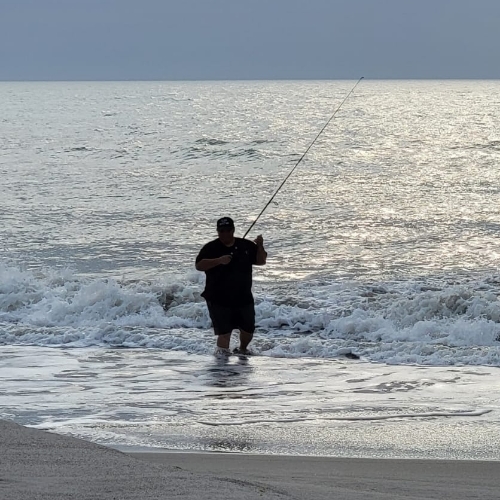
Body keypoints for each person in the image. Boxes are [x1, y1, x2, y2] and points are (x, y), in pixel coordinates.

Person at [195, 217, 267, 355]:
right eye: (221, 231)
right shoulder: (210, 248)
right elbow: (199, 265)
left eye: (228, 230)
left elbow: (261, 261)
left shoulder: (245, 245)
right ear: (217, 231)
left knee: (248, 330)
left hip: (243, 296)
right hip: (217, 297)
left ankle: (243, 350)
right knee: (224, 333)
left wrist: (260, 246)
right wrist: (219, 260)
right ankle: (222, 361)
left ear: (233, 230)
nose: (225, 234)